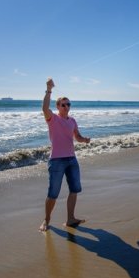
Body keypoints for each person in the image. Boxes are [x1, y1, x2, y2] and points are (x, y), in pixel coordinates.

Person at [40, 78, 91, 232]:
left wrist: (84, 140)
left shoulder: (73, 121)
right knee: (53, 193)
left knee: (74, 189)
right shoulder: (53, 119)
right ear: (58, 106)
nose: (67, 106)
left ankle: (70, 219)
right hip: (56, 161)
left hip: (71, 159)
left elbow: (77, 137)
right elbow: (44, 108)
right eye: (64, 104)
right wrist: (49, 89)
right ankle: (46, 220)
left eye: (69, 104)